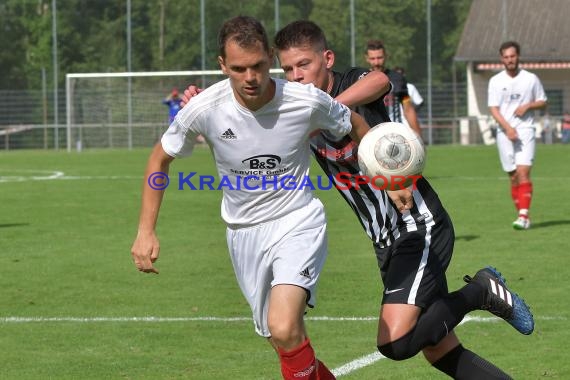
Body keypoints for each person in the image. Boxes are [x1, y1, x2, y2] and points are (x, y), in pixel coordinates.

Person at [186, 20, 535, 379]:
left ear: (327, 59)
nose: (296, 76)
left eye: (304, 64)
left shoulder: (348, 84)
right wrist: (200, 102)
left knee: (395, 342)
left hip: (416, 223)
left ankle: (480, 291)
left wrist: (327, 108)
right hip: (384, 240)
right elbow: (248, 115)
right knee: (437, 347)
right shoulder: (295, 108)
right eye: (288, 68)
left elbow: (380, 81)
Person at [130, 15, 372, 380]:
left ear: (271, 58)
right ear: (222, 66)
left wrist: (389, 177)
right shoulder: (204, 109)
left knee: (283, 326)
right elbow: (159, 158)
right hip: (243, 234)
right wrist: (145, 231)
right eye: (239, 69)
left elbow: (353, 123)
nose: (250, 78)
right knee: (284, 340)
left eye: (258, 66)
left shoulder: (305, 101)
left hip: (298, 221)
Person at [488, 40, 547, 230]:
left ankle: (523, 216)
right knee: (513, 176)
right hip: (504, 132)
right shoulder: (496, 81)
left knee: (523, 172)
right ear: (501, 59)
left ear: (518, 56)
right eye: (506, 57)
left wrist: (529, 105)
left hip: (525, 130)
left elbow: (543, 101)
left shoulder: (531, 79)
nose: (510, 60)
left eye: (512, 56)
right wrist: (507, 128)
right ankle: (522, 214)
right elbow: (493, 109)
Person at [365, 40, 422, 137]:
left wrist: (418, 137)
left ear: (386, 56)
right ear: (367, 58)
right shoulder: (362, 79)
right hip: (371, 135)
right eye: (373, 58)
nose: (376, 62)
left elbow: (408, 108)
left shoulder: (398, 79)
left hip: (395, 134)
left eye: (380, 58)